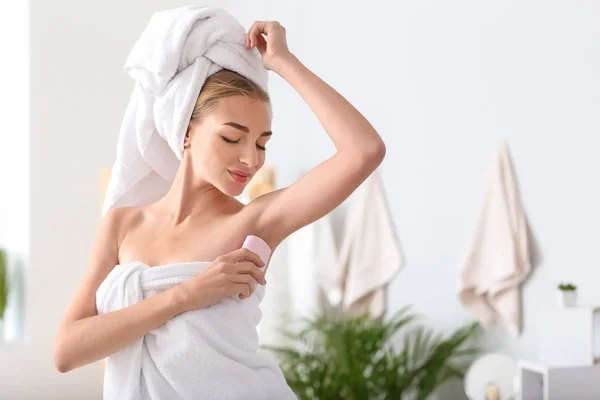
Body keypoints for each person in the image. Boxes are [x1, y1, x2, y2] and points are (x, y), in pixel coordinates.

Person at [53, 18, 385, 396]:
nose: (250, 159)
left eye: (262, 143)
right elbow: (66, 351)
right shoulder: (122, 225)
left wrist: (284, 61)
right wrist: (188, 294)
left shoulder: (254, 222)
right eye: (232, 137)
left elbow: (364, 151)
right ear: (188, 130)